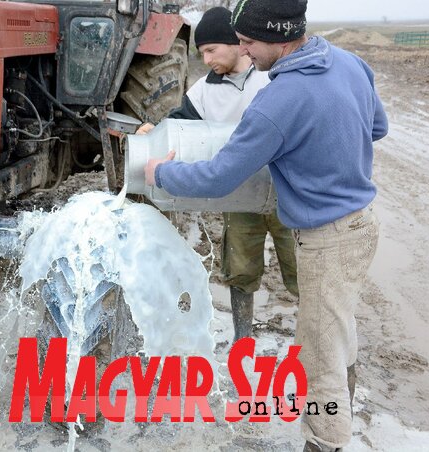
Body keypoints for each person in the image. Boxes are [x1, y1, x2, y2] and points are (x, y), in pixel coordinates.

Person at [144, 0, 388, 450]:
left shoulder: (277, 99)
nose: (245, 51)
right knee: (338, 333)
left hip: (327, 239)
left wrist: (160, 172)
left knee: (319, 358)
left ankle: (325, 442)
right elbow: (377, 127)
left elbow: (218, 178)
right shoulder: (351, 63)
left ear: (278, 37)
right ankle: (344, 412)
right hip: (362, 225)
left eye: (249, 42)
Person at [137, 6, 298, 344]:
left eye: (210, 50)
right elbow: (180, 122)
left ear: (235, 43)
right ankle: (243, 340)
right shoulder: (204, 91)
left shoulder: (271, 76)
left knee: (300, 269)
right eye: (201, 53)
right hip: (238, 192)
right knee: (240, 268)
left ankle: (311, 339)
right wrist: (155, 131)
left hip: (287, 194)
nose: (206, 59)